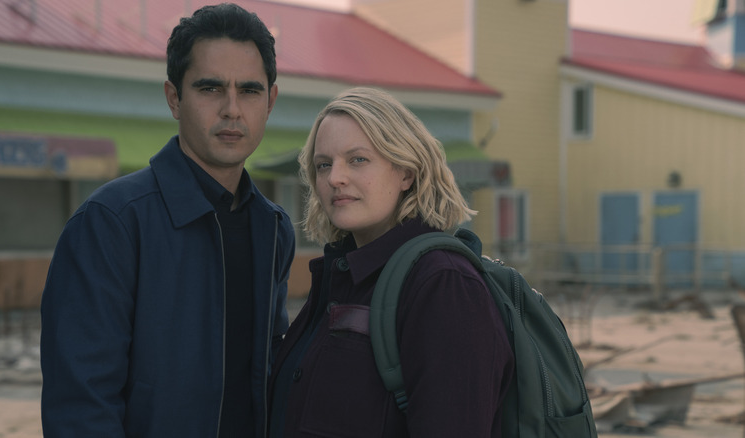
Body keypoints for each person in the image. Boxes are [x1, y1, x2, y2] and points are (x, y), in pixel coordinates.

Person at [40, 3, 295, 437]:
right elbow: (81, 406)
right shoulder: (112, 222)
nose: (233, 109)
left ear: (270, 101)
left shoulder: (272, 227)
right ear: (174, 98)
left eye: (249, 90)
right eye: (211, 88)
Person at [268, 87, 514, 437]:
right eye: (324, 164)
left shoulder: (444, 284)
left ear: (406, 173)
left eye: (358, 159)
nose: (335, 177)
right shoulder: (341, 276)